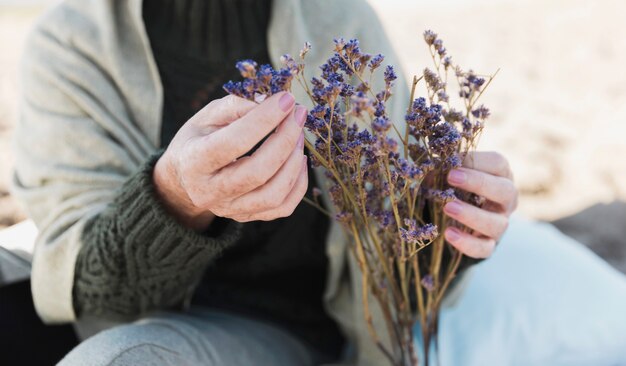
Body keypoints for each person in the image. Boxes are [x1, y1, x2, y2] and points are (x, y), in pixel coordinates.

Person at [16, 0, 596, 365]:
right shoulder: (69, 45)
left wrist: (447, 226)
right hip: (123, 313)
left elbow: (386, 247)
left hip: (284, 326)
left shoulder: (337, 20)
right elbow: (83, 284)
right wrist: (175, 199)